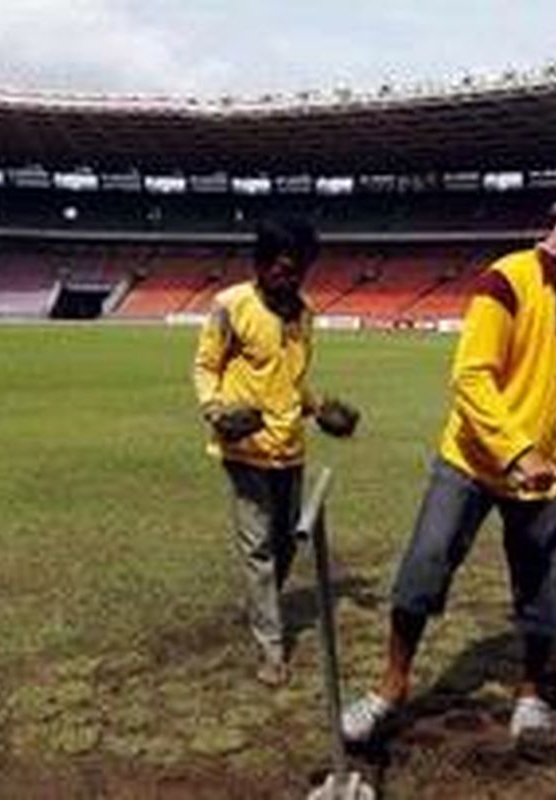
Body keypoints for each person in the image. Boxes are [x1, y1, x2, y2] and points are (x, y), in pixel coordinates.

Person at [342, 174, 556, 742]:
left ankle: (531, 693)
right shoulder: (507, 282)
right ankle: (391, 686)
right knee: (423, 569)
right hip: (469, 460)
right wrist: (514, 451)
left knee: (544, 595)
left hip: (542, 476)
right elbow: (472, 376)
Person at [193, 217, 359, 688]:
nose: (293, 279)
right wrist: (216, 410)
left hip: (290, 449)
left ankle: (260, 603)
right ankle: (271, 649)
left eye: (301, 270)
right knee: (259, 549)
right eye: (285, 269)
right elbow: (206, 366)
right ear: (261, 265)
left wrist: (319, 406)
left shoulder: (305, 314)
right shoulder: (231, 305)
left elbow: (291, 380)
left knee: (286, 544)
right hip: (243, 447)